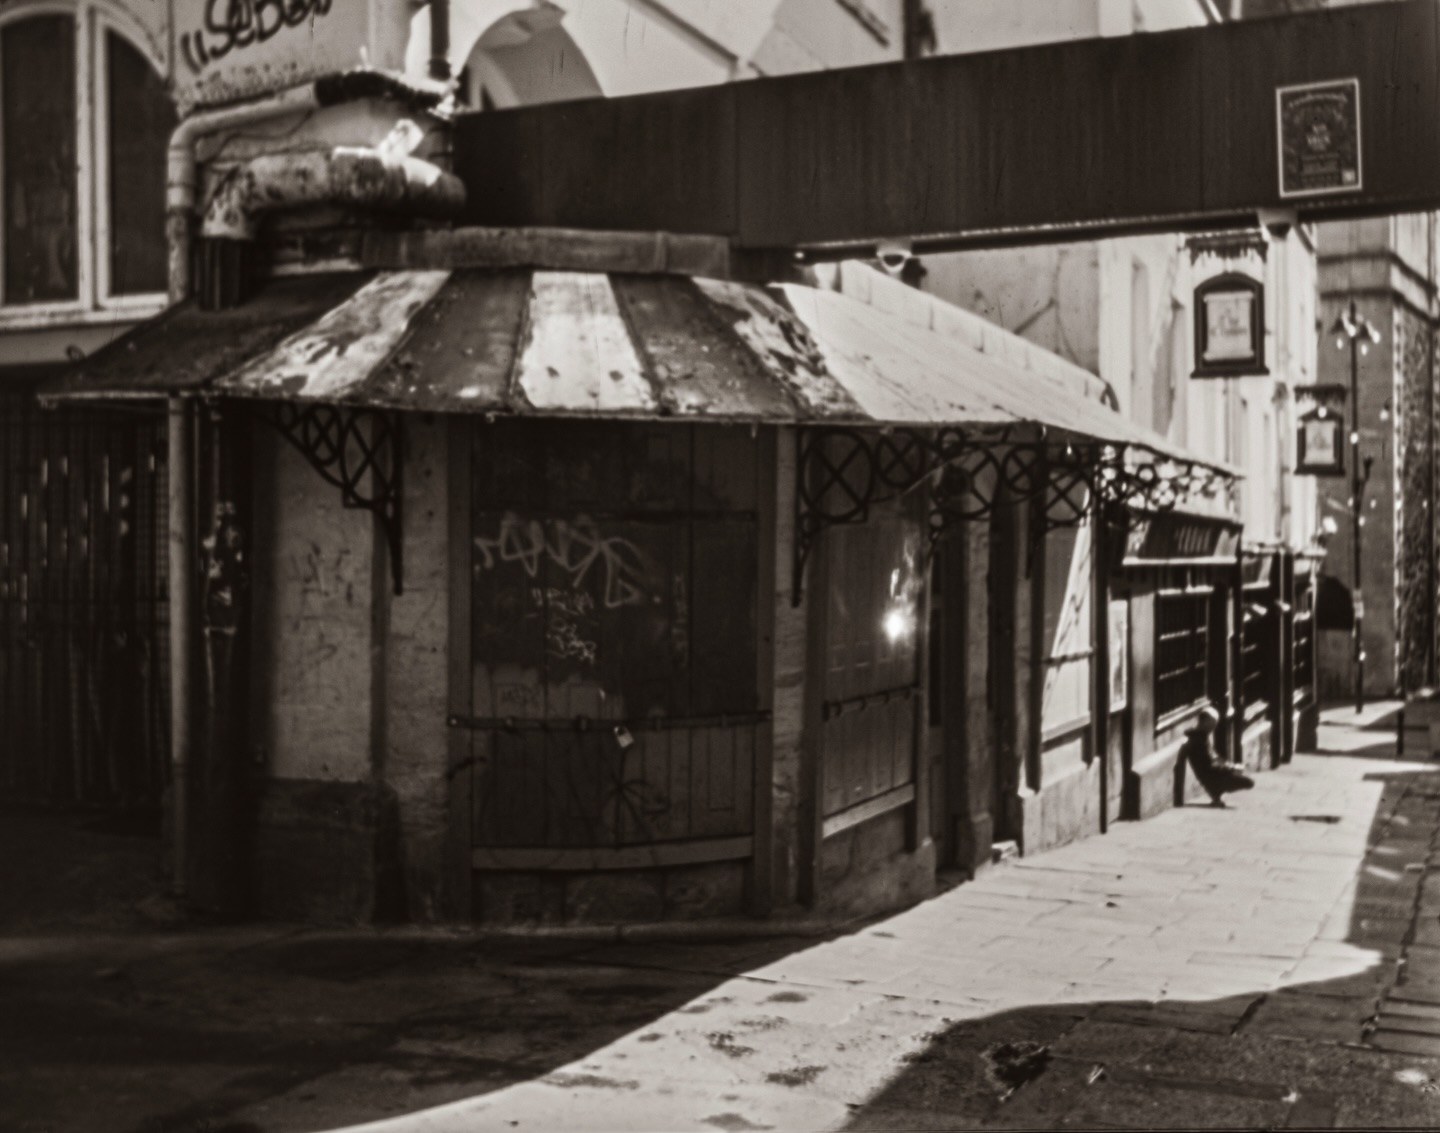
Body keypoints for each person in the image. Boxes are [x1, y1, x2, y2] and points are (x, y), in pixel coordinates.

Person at [1182, 706, 1254, 807]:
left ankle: (1216, 796)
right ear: (1205, 722)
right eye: (1212, 725)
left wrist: (1231, 766)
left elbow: (1213, 758)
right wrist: (1231, 768)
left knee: (1246, 780)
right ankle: (1216, 795)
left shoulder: (1201, 737)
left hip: (1211, 774)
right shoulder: (1199, 740)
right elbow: (1210, 764)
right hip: (1211, 776)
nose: (1213, 728)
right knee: (1248, 782)